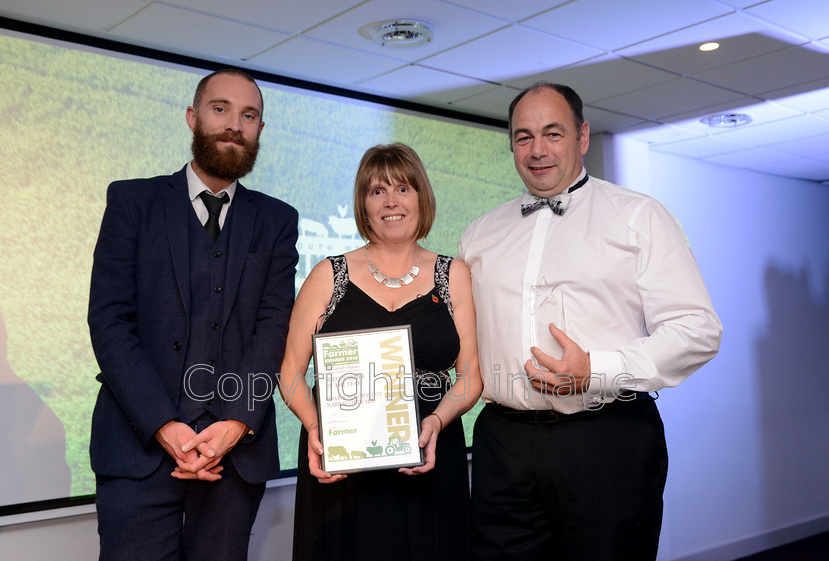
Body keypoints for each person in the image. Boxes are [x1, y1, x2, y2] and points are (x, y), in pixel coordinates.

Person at [458, 82, 722, 561]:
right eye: (523, 137)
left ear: (582, 136)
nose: (537, 150)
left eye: (552, 133)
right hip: (503, 443)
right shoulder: (480, 233)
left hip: (607, 438)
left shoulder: (639, 216)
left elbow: (697, 330)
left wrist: (595, 370)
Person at [87, 69, 299, 561]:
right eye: (220, 109)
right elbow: (110, 323)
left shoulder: (277, 220)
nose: (234, 125)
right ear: (193, 117)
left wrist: (234, 424)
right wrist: (166, 426)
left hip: (234, 455)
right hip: (138, 451)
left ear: (259, 131)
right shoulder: (132, 202)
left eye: (249, 116)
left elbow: (273, 330)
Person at [279, 143, 482, 561]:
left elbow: (471, 378)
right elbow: (291, 373)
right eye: (377, 191)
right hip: (341, 468)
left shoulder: (454, 274)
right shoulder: (327, 275)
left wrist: (437, 423)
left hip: (428, 455)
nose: (391, 201)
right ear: (363, 204)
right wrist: (320, 432)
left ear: (421, 197)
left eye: (403, 188)